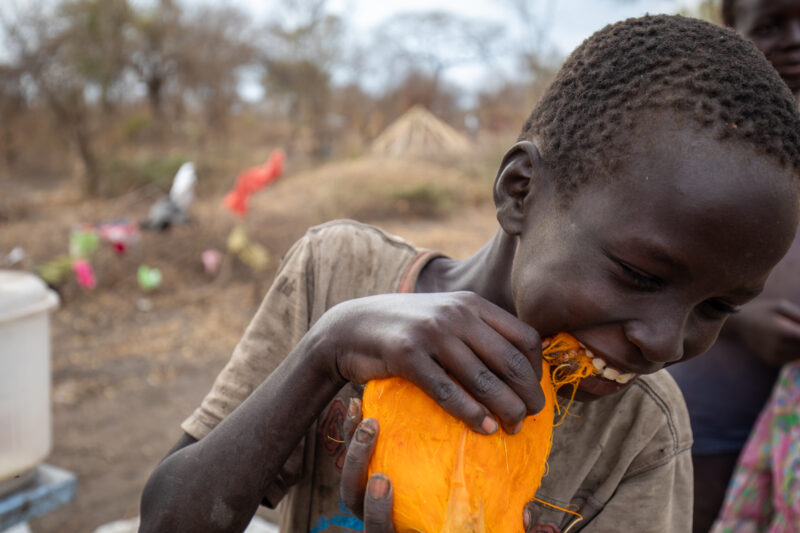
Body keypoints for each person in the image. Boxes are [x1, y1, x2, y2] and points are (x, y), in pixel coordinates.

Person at [138, 15, 800, 533]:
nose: (663, 342)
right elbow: (168, 519)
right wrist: (326, 350)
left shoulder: (642, 433)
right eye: (637, 273)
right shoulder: (335, 276)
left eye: (717, 308)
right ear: (520, 192)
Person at [667, 1, 800, 530]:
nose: (795, 39)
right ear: (734, 34)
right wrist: (740, 319)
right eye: (769, 26)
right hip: (712, 414)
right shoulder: (702, 133)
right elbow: (647, 269)